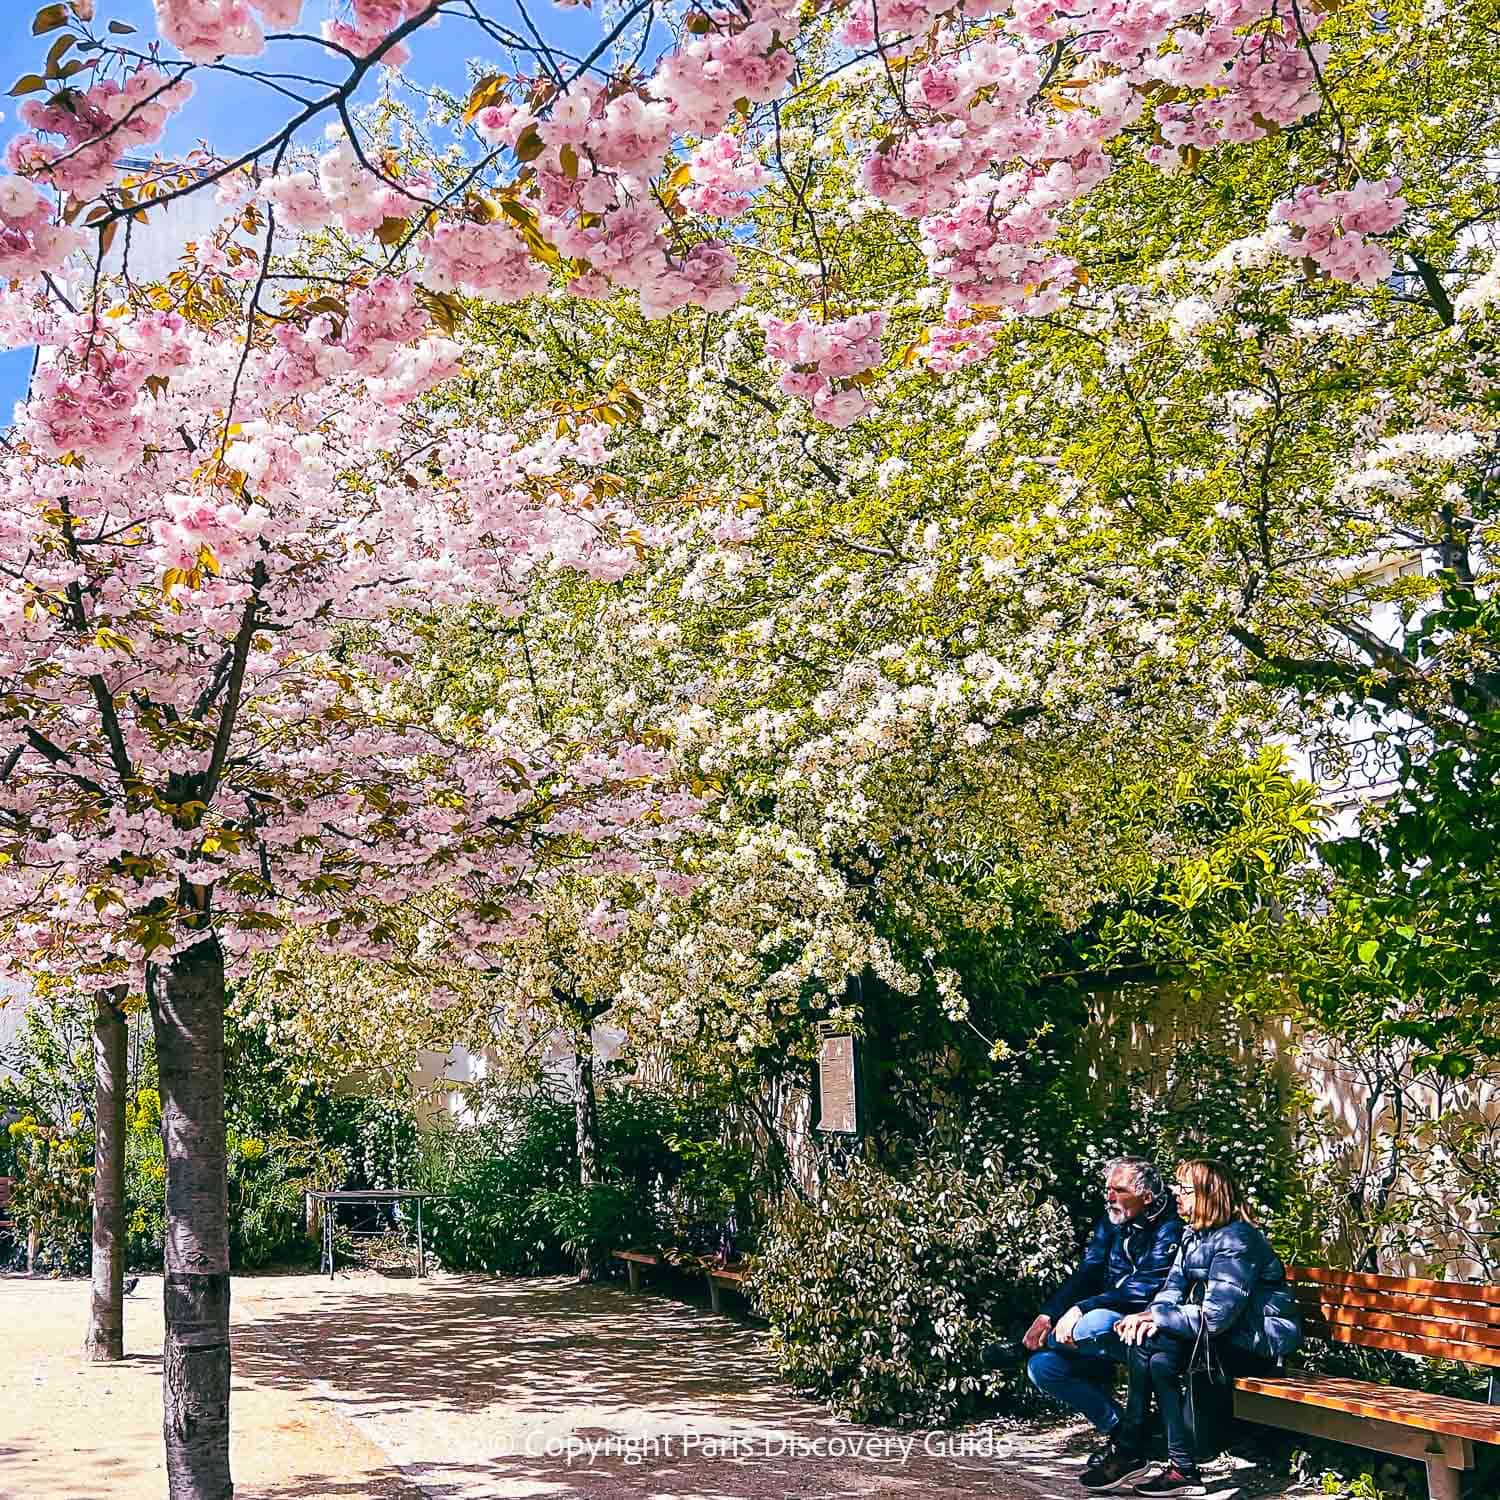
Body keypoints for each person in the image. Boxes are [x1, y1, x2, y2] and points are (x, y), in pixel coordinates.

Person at [1081, 1157, 1304, 1496]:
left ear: (1206, 1195)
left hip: (1255, 1348)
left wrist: (1157, 1319)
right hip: (1217, 1344)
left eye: (1184, 1189)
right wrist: (1149, 1317)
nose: (1176, 1195)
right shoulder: (1193, 1236)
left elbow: (1216, 1317)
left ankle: (1135, 1452)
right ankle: (1178, 1469)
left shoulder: (1237, 1240)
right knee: (1152, 1351)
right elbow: (1170, 1290)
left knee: (1157, 1349)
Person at [1012, 1158, 1183, 1463]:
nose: (1110, 1197)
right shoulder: (1114, 1218)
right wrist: (1049, 1315)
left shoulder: (1171, 1226)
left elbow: (1143, 1289)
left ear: (1146, 1197)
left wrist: (1081, 1308)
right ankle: (1125, 1433)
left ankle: (1018, 1349)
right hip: (1113, 1325)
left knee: (1095, 1322)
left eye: (1119, 1190)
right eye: (1108, 1189)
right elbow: (1088, 1271)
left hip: (1151, 1326)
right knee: (1043, 1368)